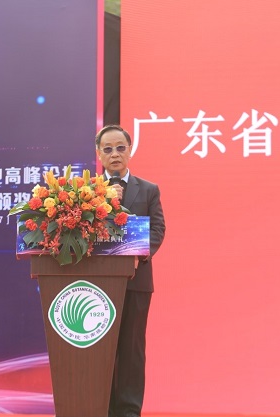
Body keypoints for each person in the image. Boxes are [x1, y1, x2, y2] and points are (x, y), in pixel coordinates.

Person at [95, 124, 166, 417]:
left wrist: (136, 255)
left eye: (120, 148)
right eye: (108, 149)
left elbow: (157, 229)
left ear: (129, 150)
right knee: (101, 349)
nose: (115, 154)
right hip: (97, 283)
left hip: (136, 281)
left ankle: (128, 410)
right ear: (99, 153)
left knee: (132, 349)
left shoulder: (148, 189)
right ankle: (102, 407)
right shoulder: (87, 191)